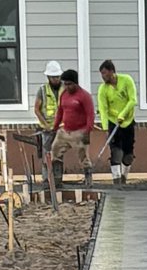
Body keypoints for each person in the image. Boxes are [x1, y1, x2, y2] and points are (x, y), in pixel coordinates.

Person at [51, 65, 96, 201]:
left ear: (75, 83)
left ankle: (88, 180)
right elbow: (60, 111)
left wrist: (87, 131)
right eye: (65, 84)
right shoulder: (64, 95)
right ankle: (57, 180)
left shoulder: (84, 96)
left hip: (79, 131)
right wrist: (55, 127)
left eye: (69, 84)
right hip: (65, 131)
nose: (67, 87)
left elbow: (90, 114)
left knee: (83, 156)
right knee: (55, 152)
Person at [93, 56, 139, 183]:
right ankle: (116, 179)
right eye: (101, 74)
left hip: (127, 122)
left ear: (112, 72)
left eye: (104, 73)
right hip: (113, 122)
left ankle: (124, 176)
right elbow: (103, 108)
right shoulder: (103, 89)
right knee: (116, 152)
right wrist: (105, 128)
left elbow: (132, 100)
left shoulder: (126, 80)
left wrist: (123, 115)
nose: (103, 77)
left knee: (128, 154)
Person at [26, 65, 63, 193]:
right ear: (48, 77)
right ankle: (47, 181)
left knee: (58, 154)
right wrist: (45, 125)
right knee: (47, 154)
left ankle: (58, 181)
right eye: (53, 77)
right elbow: (37, 109)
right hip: (47, 129)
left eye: (58, 77)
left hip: (61, 128)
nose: (56, 80)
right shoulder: (42, 90)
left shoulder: (65, 89)